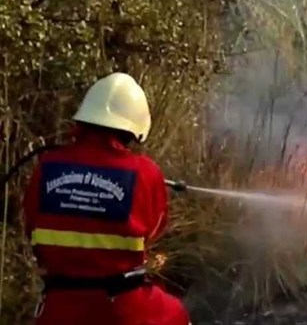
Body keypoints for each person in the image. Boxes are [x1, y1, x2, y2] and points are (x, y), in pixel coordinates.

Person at [22, 72, 191, 325]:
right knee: (175, 314)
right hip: (124, 307)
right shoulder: (146, 173)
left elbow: (30, 225)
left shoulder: (47, 165)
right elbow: (155, 230)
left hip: (60, 307)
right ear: (134, 129)